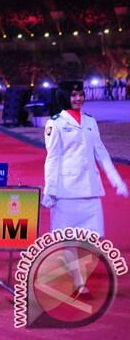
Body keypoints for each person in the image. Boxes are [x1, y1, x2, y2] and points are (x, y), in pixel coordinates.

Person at [43, 80, 129, 294]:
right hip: (66, 190)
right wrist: (49, 191)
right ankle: (79, 282)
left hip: (90, 188)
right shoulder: (55, 124)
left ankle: (74, 272)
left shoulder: (90, 121)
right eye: (73, 95)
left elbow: (101, 153)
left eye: (81, 94)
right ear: (65, 96)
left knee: (93, 237)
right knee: (69, 238)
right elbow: (52, 159)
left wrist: (117, 181)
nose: (78, 98)